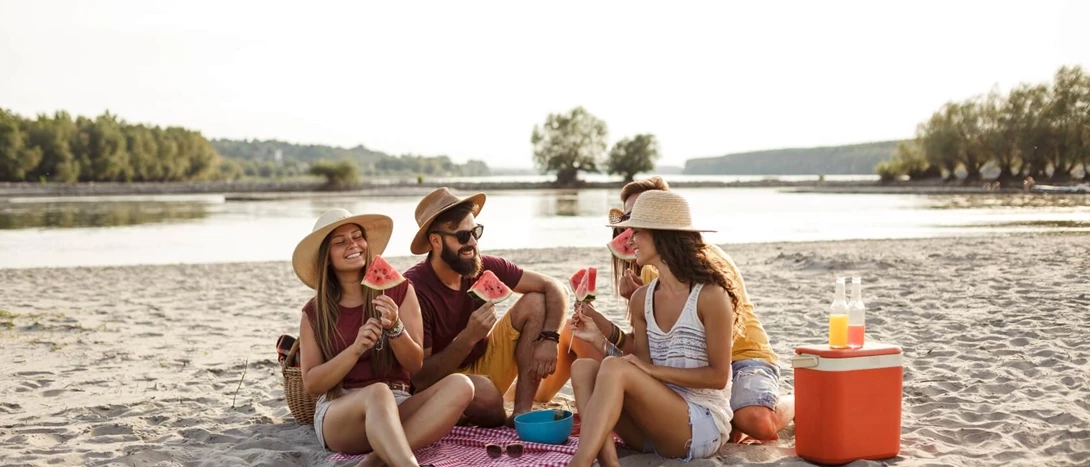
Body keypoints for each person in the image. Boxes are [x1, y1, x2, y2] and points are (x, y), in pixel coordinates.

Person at [575, 176, 794, 442]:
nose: (628, 235)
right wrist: (599, 322)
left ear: (662, 225)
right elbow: (647, 351)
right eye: (627, 221)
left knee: (754, 421)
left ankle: (795, 401)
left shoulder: (705, 266)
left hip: (743, 354)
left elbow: (705, 364)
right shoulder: (649, 274)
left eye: (636, 222)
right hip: (693, 369)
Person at [568, 190, 740, 467]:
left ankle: (579, 463)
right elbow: (641, 365)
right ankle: (609, 462)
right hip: (651, 430)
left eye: (637, 231)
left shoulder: (710, 296)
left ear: (662, 235)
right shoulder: (641, 299)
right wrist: (600, 342)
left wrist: (650, 371)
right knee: (583, 368)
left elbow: (718, 377)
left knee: (613, 366)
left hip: (699, 427)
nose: (630, 239)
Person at [293, 208, 473, 467]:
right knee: (377, 392)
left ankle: (376, 461)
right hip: (342, 411)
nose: (353, 245)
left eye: (357, 237)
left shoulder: (399, 290)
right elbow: (312, 384)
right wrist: (355, 350)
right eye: (340, 242)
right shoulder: (314, 312)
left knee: (461, 385)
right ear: (327, 257)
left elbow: (415, 365)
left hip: (398, 403)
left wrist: (395, 328)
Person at [404, 188, 577, 427]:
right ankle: (489, 415)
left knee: (536, 301)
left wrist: (550, 338)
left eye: (475, 232)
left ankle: (521, 414)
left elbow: (554, 286)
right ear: (436, 240)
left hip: (485, 366)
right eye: (463, 236)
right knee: (484, 394)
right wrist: (467, 339)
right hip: (440, 386)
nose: (473, 243)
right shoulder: (415, 290)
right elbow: (421, 378)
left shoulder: (483, 266)